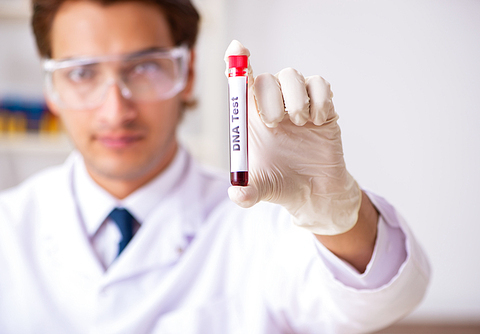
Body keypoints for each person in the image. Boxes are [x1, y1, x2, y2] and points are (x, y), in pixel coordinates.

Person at [0, 0, 430, 333]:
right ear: (51, 88)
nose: (116, 110)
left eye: (146, 66)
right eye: (81, 73)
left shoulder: (262, 224)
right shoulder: (9, 227)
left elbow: (382, 299)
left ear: (187, 73)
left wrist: (337, 215)